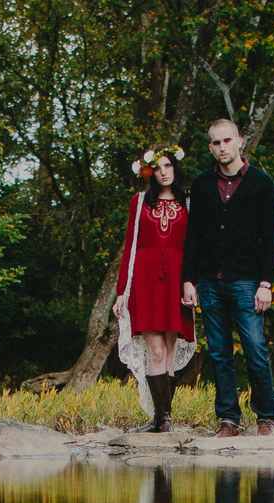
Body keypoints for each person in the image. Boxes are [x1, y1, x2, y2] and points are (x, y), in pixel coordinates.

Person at [181, 116, 274, 438]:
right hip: (209, 282)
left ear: (239, 141)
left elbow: (271, 237)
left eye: (227, 140)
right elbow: (193, 236)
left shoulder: (261, 184)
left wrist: (266, 283)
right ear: (210, 147)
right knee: (219, 353)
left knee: (254, 348)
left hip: (248, 281)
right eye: (216, 142)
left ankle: (266, 418)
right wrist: (189, 279)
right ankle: (229, 420)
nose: (222, 147)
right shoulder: (201, 185)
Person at [112, 147, 197, 433]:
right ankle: (162, 420)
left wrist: (192, 281)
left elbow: (195, 248)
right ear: (150, 172)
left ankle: (163, 420)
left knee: (169, 352)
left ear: (176, 168)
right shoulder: (139, 203)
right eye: (158, 167)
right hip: (146, 279)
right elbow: (130, 248)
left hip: (177, 278)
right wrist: (123, 290)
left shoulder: (188, 202)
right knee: (156, 351)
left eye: (168, 165)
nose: (164, 171)